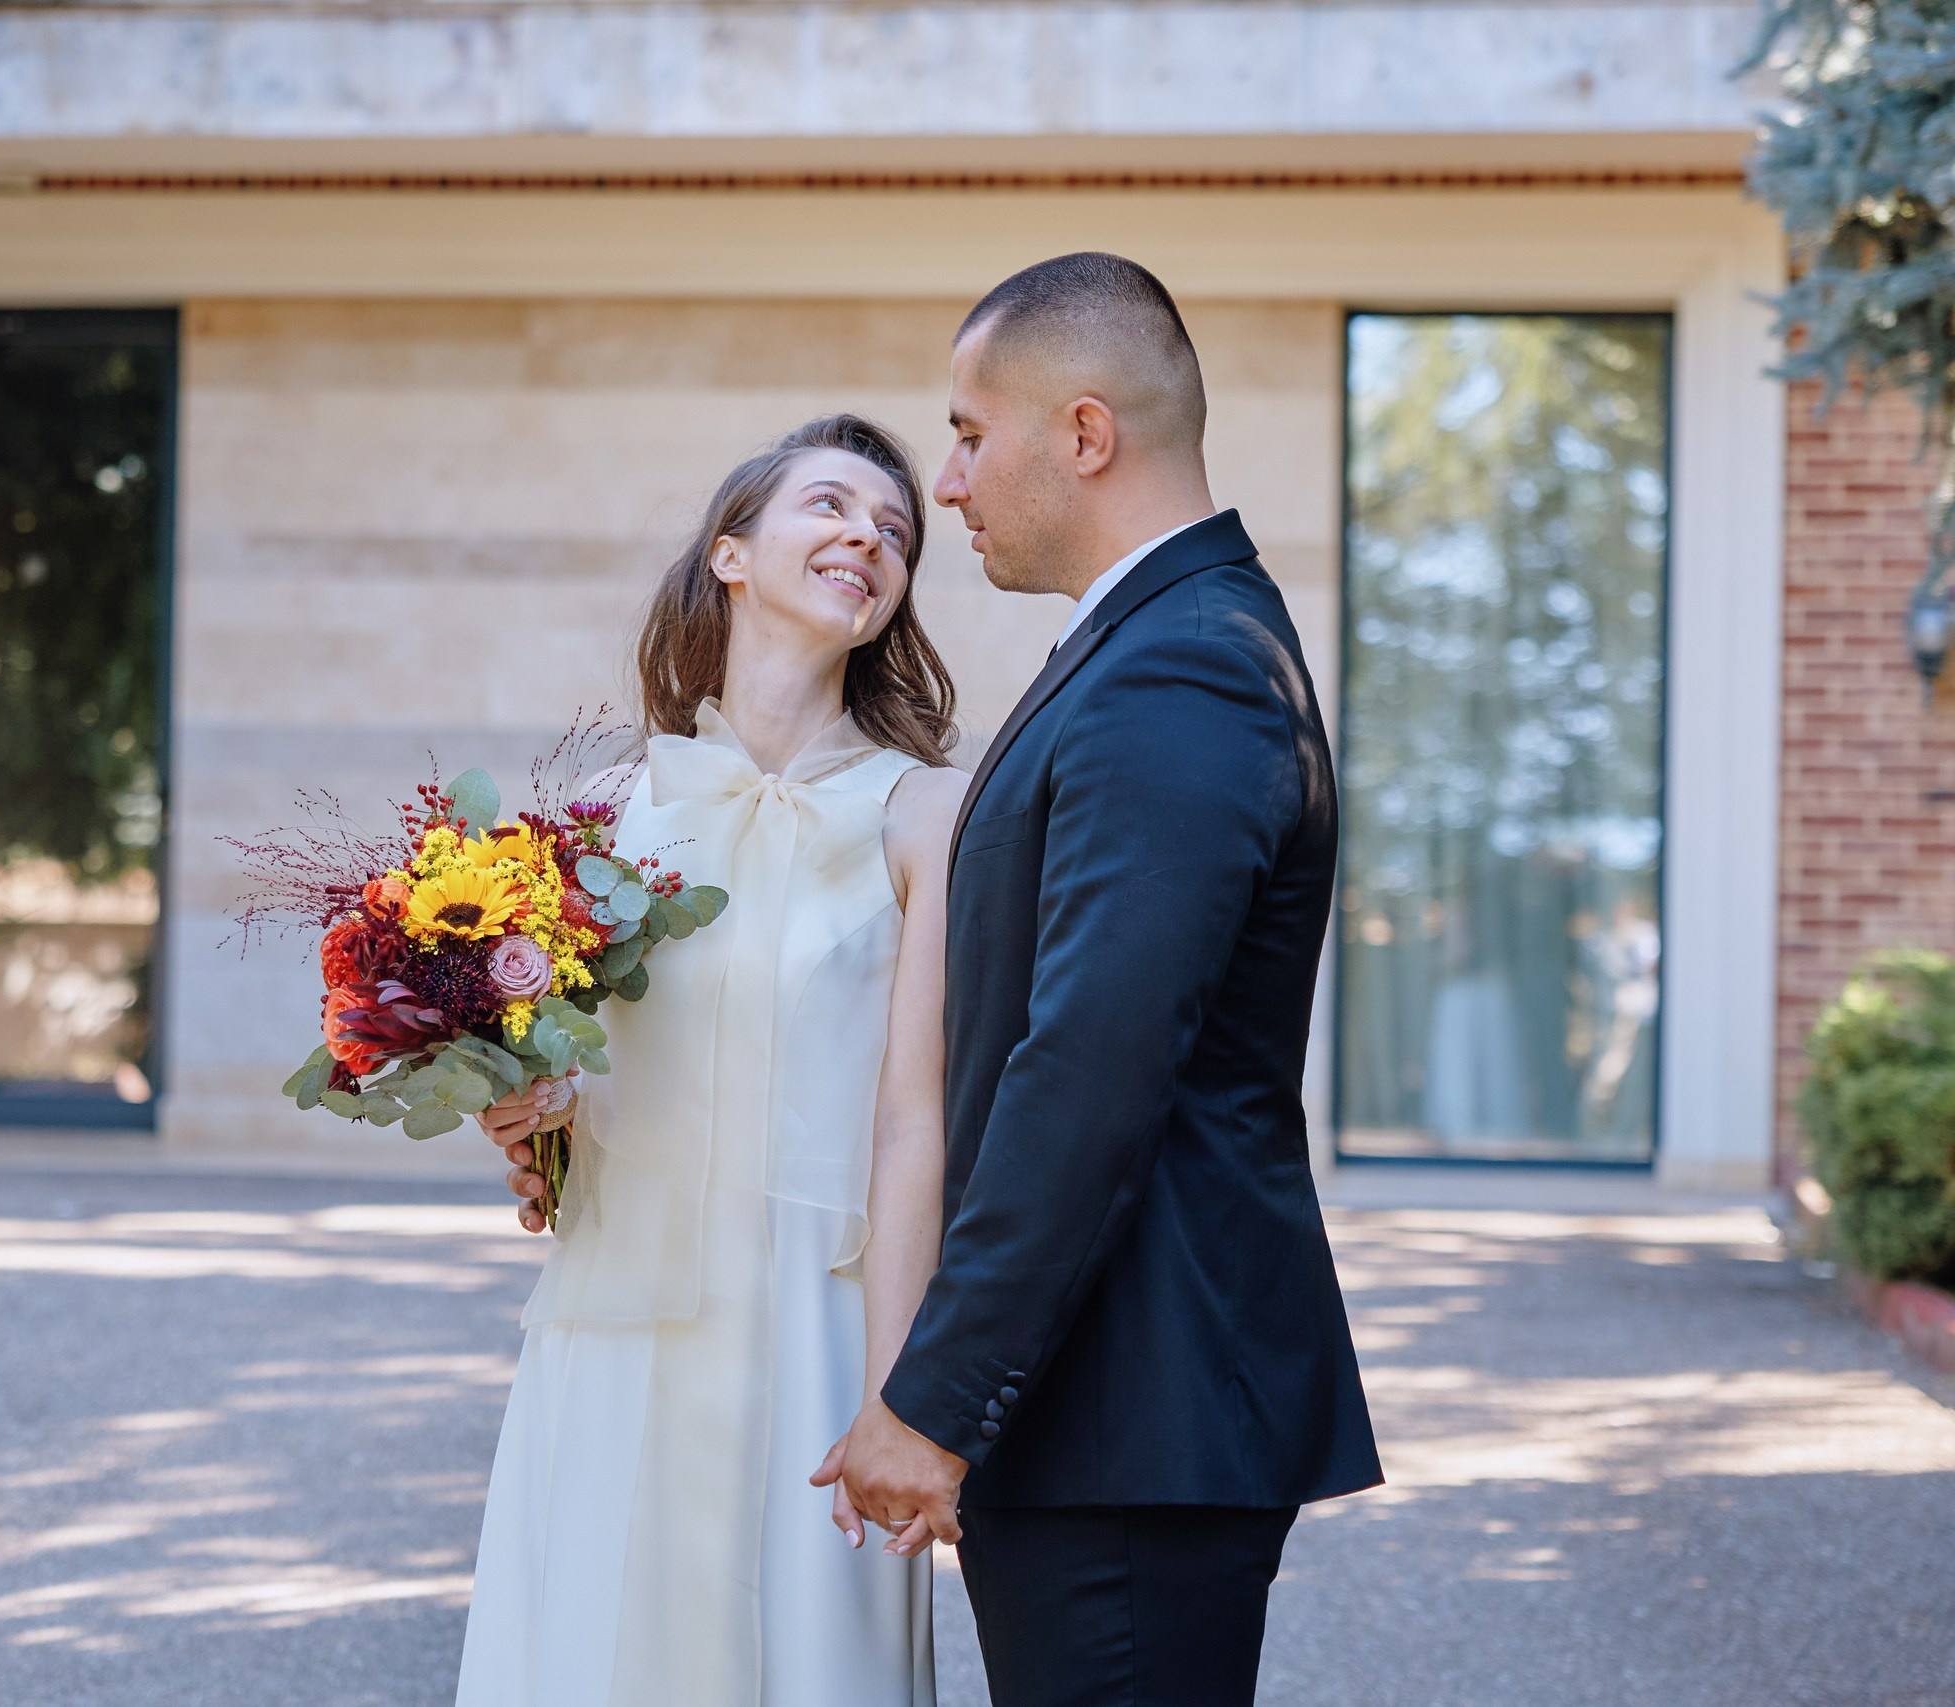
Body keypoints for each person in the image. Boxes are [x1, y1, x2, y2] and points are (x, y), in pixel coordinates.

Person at [817, 252, 1383, 1706]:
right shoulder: (1155, 643)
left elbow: (1088, 1069)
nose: (945, 483)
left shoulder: (1184, 667)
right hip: (1106, 1417)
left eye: (966, 431)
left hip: (1138, 1413)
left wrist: (935, 1403)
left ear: (1084, 433)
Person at [455, 414, 970, 1706]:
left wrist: (902, 1393)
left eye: (896, 530)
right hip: (616, 1310)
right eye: (833, 506)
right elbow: (573, 1101)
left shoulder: (927, 813)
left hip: (820, 1316)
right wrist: (528, 1118)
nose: (869, 535)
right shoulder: (599, 825)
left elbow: (919, 1124)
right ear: (731, 555)